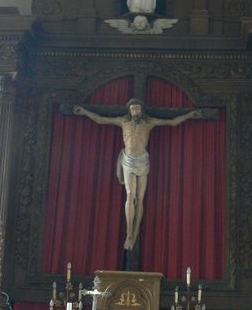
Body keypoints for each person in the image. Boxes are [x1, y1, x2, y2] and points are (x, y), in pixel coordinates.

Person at [73, 99, 202, 250]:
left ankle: (134, 234)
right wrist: (84, 112)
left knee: (140, 199)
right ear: (129, 110)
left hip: (142, 160)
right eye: (132, 109)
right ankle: (129, 233)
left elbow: (172, 122)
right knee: (130, 194)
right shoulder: (123, 121)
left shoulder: (149, 122)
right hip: (128, 160)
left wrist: (189, 115)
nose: (135, 111)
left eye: (137, 108)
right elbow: (100, 120)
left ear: (141, 110)